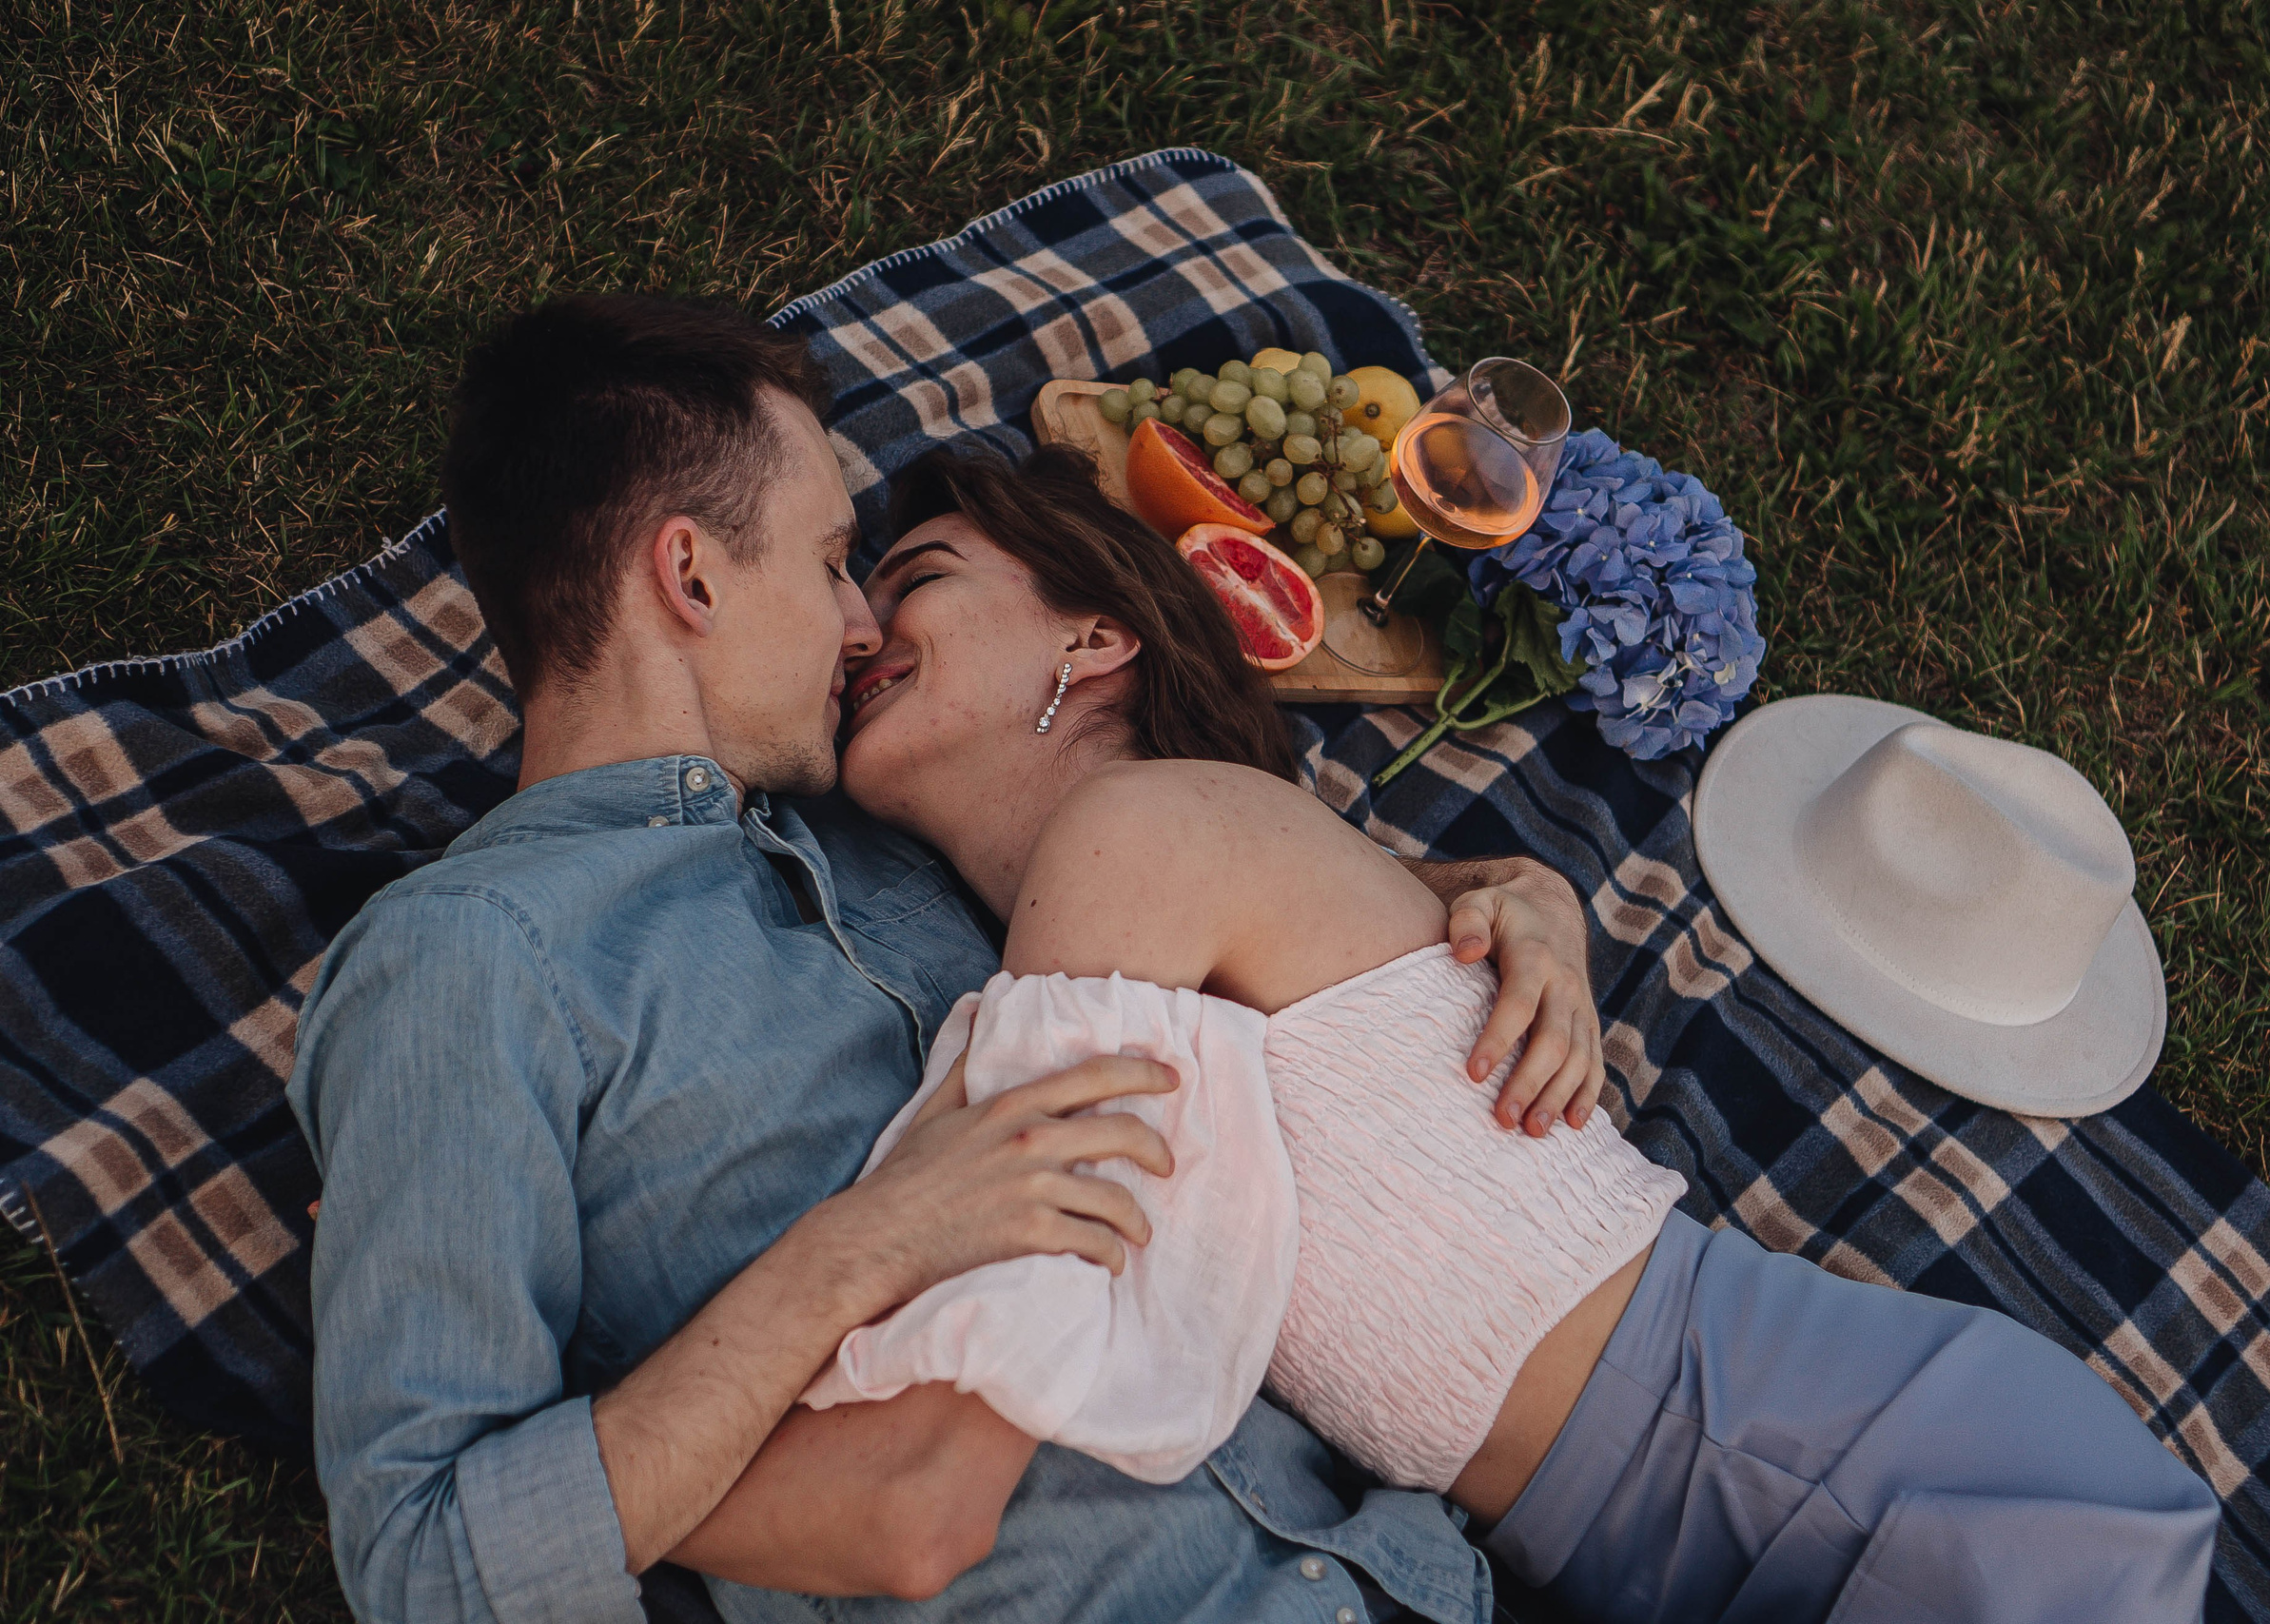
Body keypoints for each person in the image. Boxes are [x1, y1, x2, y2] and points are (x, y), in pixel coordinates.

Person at [288, 291, 1612, 1624]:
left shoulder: (886, 831)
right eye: (826, 566)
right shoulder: (466, 959)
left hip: (1428, 1580)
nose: (861, 628)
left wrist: (1501, 889)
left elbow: (1200, 880)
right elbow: (422, 1561)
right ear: (689, 577)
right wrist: (864, 1246)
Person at [808, 440, 2226, 1623]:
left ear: (1096, 632)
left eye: (913, 580)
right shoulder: (1164, 880)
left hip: (1893, 1476)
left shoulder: (1138, 839)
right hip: (1717, 1510)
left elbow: (973, 1373)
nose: (860, 631)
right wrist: (1510, 885)